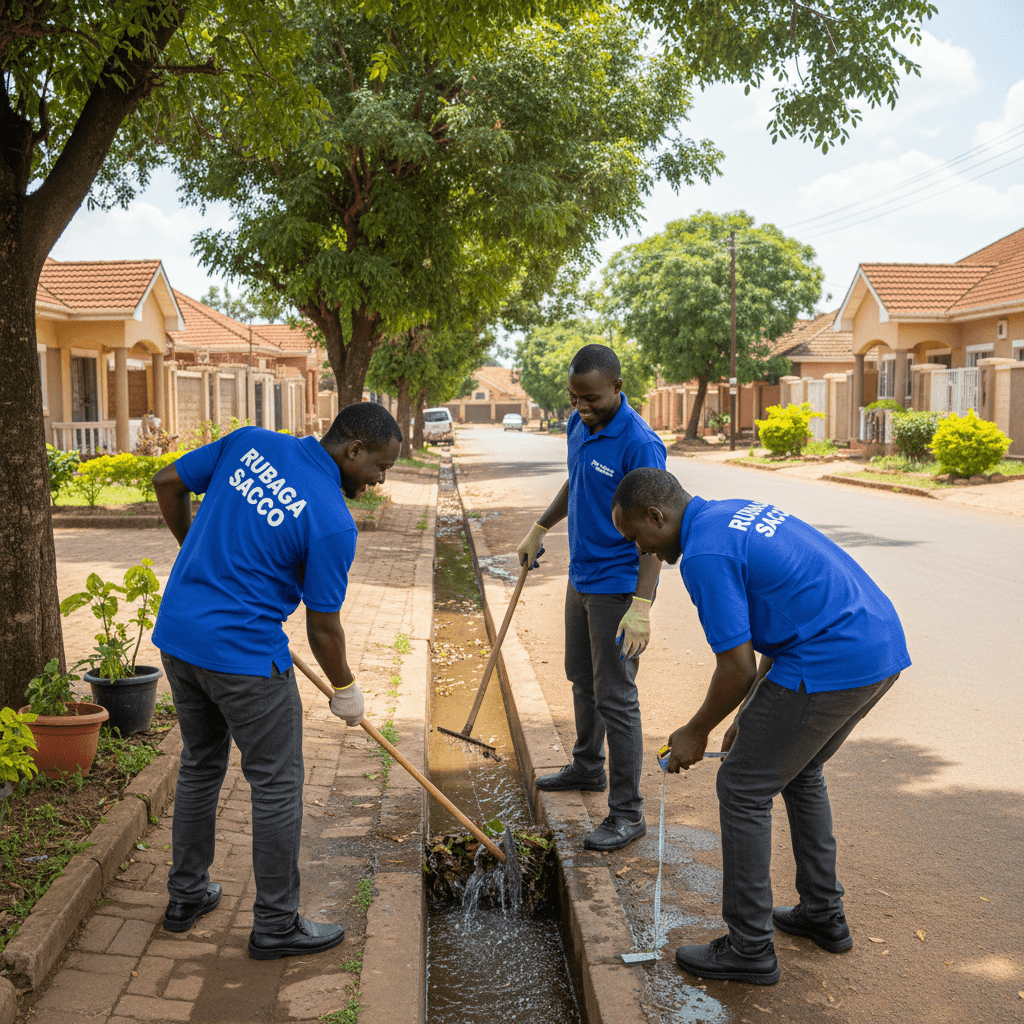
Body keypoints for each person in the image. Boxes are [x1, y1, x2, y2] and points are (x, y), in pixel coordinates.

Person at [611, 467, 910, 985]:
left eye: (638, 537)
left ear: (657, 516)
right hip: (876, 642)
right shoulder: (729, 514)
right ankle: (822, 913)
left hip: (832, 655)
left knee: (742, 788)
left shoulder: (703, 555)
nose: (643, 551)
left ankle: (749, 947)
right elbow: (780, 624)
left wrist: (696, 731)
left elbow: (737, 667)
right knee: (800, 771)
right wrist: (751, 713)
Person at [152, 403, 401, 960]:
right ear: (354, 450)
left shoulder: (249, 441)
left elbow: (167, 482)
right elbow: (323, 628)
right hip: (245, 660)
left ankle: (185, 896)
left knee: (200, 764)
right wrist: (346, 689)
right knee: (276, 784)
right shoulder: (333, 522)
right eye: (380, 467)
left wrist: (194, 552)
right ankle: (276, 924)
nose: (380, 480)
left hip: (180, 636)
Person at [517, 344, 666, 851]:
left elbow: (656, 530)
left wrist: (641, 606)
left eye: (592, 399)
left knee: (616, 698)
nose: (582, 408)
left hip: (618, 587)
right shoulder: (577, 425)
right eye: (574, 398)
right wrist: (540, 526)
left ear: (618, 388)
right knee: (582, 677)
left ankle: (627, 813)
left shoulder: (641, 445)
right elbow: (577, 480)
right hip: (580, 576)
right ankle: (587, 766)